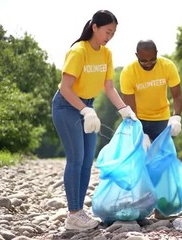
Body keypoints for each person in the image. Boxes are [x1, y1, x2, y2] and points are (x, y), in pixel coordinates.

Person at [52, 10, 137, 231]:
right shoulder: (78, 51)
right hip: (67, 106)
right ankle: (73, 214)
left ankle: (79, 211)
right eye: (107, 31)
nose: (110, 36)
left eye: (113, 32)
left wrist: (124, 110)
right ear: (95, 27)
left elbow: (108, 87)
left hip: (86, 106)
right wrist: (85, 111)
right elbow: (65, 88)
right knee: (76, 158)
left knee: (88, 160)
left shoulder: (106, 54)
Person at [120, 39, 182, 142]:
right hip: (139, 119)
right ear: (137, 56)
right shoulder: (128, 72)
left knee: (162, 155)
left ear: (157, 53)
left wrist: (176, 117)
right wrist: (138, 131)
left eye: (152, 60)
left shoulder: (167, 66)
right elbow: (130, 106)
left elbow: (177, 96)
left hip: (162, 118)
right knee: (141, 154)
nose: (149, 64)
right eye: (144, 61)